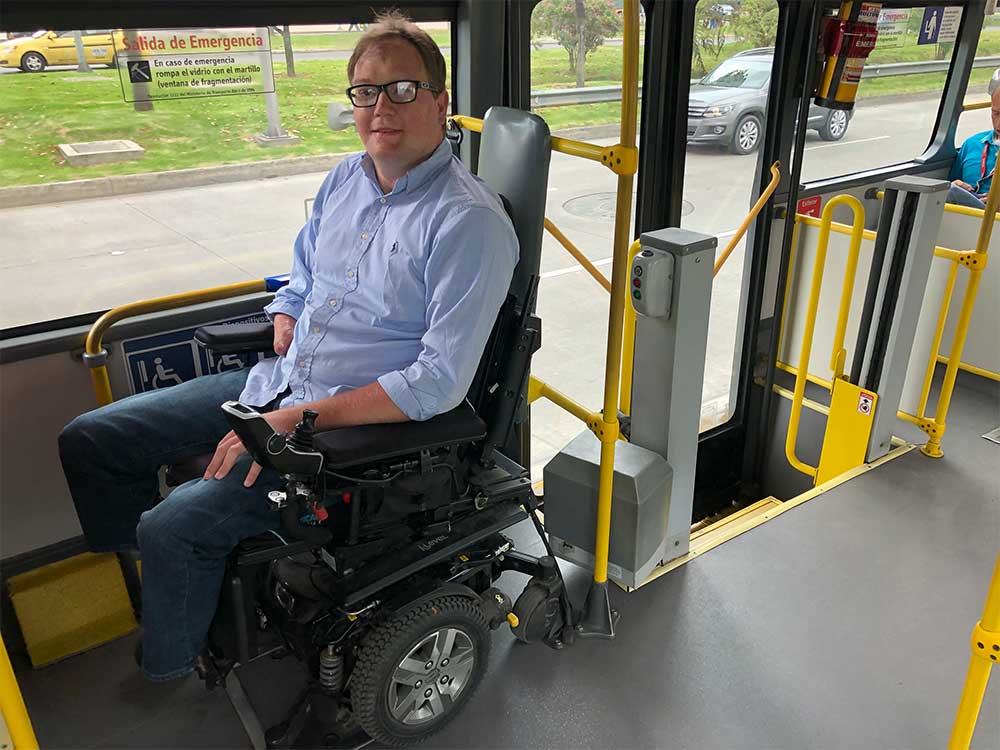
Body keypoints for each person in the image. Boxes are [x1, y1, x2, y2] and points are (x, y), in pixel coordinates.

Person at [58, 11, 518, 682]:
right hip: (277, 381)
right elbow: (301, 276)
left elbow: (436, 383)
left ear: (441, 102)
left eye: (402, 89)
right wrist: (287, 310)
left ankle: (170, 667)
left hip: (339, 439)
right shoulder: (345, 180)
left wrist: (285, 424)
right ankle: (170, 583)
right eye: (365, 90)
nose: (379, 106)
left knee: (171, 528)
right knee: (91, 440)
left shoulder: (467, 222)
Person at [947, 84, 1000, 209]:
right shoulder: (972, 144)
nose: (999, 123)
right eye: (996, 113)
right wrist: (955, 184)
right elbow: (952, 182)